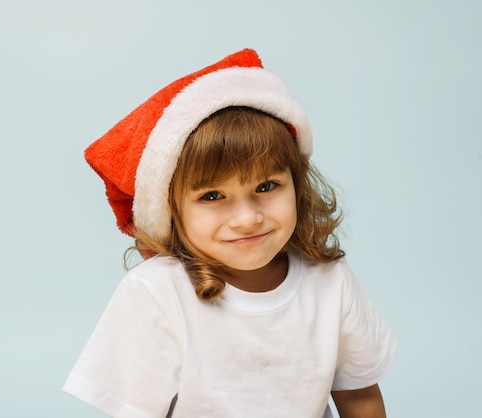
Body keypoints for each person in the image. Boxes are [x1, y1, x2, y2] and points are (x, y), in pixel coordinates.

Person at [63, 49, 396, 418]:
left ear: (297, 185)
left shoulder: (330, 281)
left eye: (267, 187)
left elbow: (360, 398)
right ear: (172, 208)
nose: (246, 218)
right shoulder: (156, 293)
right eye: (212, 196)